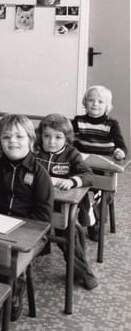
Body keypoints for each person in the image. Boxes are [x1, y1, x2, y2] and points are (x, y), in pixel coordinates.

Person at [0, 114, 53, 321]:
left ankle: (15, 283)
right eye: (6, 137)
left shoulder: (39, 174)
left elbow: (43, 216)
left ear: (31, 140)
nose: (13, 141)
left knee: (6, 258)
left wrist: (15, 227)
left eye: (19, 137)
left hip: (29, 233)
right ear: (0, 141)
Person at [34, 114, 97, 289]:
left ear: (66, 138)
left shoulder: (71, 154)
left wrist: (72, 181)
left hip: (61, 207)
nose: (51, 142)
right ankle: (42, 248)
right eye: (47, 136)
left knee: (67, 237)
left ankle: (84, 272)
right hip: (38, 203)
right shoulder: (35, 152)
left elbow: (89, 175)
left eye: (58, 137)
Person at [71, 85, 126, 241]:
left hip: (103, 168)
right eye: (91, 100)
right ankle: (87, 219)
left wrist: (120, 152)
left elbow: (122, 146)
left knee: (101, 193)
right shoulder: (78, 121)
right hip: (83, 166)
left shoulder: (111, 124)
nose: (95, 104)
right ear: (85, 102)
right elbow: (70, 142)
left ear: (107, 106)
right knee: (79, 190)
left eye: (100, 102)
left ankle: (96, 223)